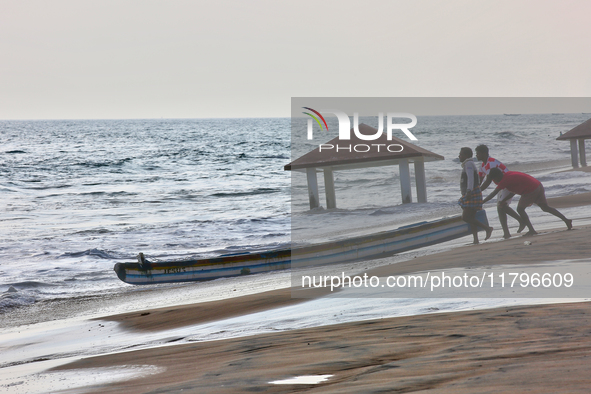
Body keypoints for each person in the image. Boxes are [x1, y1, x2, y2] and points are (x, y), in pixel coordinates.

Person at [483, 168, 573, 236]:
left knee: (520, 209)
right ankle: (566, 220)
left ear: (497, 177)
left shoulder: (504, 180)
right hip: (538, 185)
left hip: (531, 189)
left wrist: (482, 202)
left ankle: (531, 230)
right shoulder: (508, 175)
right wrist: (503, 200)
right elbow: (513, 191)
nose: (495, 182)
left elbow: (493, 193)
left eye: (494, 179)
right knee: (545, 207)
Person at [475, 145, 524, 239]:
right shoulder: (483, 165)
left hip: (508, 183)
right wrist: (476, 190)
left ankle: (521, 221)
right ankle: (506, 233)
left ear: (484, 154)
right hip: (502, 185)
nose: (476, 155)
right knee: (500, 208)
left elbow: (488, 181)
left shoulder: (491, 163)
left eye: (478, 153)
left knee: (502, 206)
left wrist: (478, 192)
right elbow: (480, 179)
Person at [458, 147, 493, 244]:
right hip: (471, 191)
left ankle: (487, 228)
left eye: (460, 154)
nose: (459, 156)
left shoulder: (468, 164)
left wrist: (469, 191)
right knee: (471, 217)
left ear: (466, 156)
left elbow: (470, 178)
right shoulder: (468, 164)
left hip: (472, 192)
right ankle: (476, 240)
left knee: (466, 217)